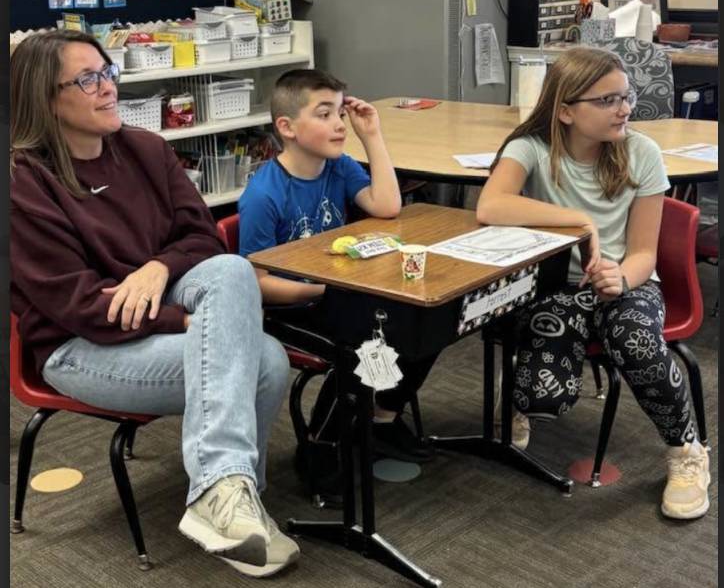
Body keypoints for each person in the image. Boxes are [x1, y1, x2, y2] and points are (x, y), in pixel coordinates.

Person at [10, 29, 299, 577]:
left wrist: (157, 267)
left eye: (108, 72)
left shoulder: (144, 148)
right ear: (44, 98)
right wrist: (187, 320)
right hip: (78, 346)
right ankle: (236, 503)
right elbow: (82, 308)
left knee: (231, 269)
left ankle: (226, 498)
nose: (108, 88)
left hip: (157, 306)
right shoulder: (23, 183)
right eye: (87, 79)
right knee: (263, 360)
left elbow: (204, 241)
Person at [476, 47, 710, 520]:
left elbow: (644, 251)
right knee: (544, 396)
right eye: (606, 101)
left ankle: (687, 451)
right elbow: (490, 206)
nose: (624, 109)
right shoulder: (531, 148)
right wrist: (581, 221)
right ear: (565, 110)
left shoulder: (640, 151)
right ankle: (520, 396)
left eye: (625, 96)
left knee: (635, 339)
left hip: (631, 281)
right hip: (555, 287)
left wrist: (620, 277)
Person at [237, 69, 436, 502]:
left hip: (339, 294)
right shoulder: (263, 195)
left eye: (340, 112)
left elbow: (386, 207)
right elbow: (256, 284)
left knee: (427, 316)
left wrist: (373, 137)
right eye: (324, 114)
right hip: (290, 307)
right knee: (362, 346)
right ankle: (321, 446)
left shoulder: (338, 166)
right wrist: (325, 291)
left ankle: (382, 417)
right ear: (286, 128)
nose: (339, 124)